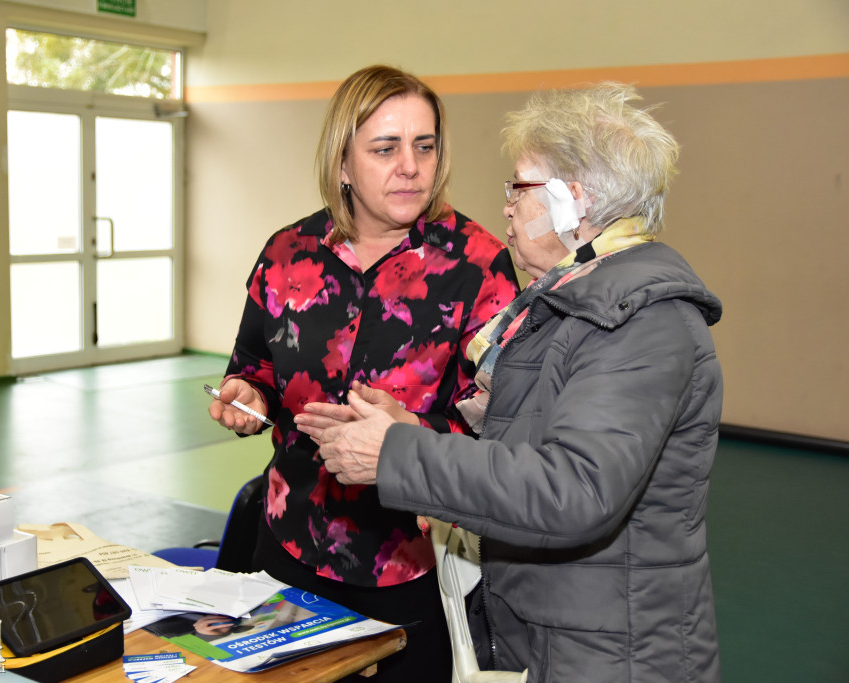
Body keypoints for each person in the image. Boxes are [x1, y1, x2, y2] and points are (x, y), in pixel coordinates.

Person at [302, 82, 723, 682]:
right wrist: (409, 428)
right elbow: (525, 451)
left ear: (571, 203)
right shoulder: (570, 304)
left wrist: (396, 453)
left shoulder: (641, 323)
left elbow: (573, 490)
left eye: (519, 188)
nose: (506, 207)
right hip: (558, 632)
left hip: (611, 656)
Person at [208, 64, 521, 680]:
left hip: (410, 567)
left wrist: (410, 434)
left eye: (424, 146)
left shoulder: (479, 267)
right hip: (288, 546)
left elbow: (502, 426)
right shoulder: (287, 254)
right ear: (343, 164)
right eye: (385, 148)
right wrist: (249, 395)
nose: (411, 166)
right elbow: (254, 366)